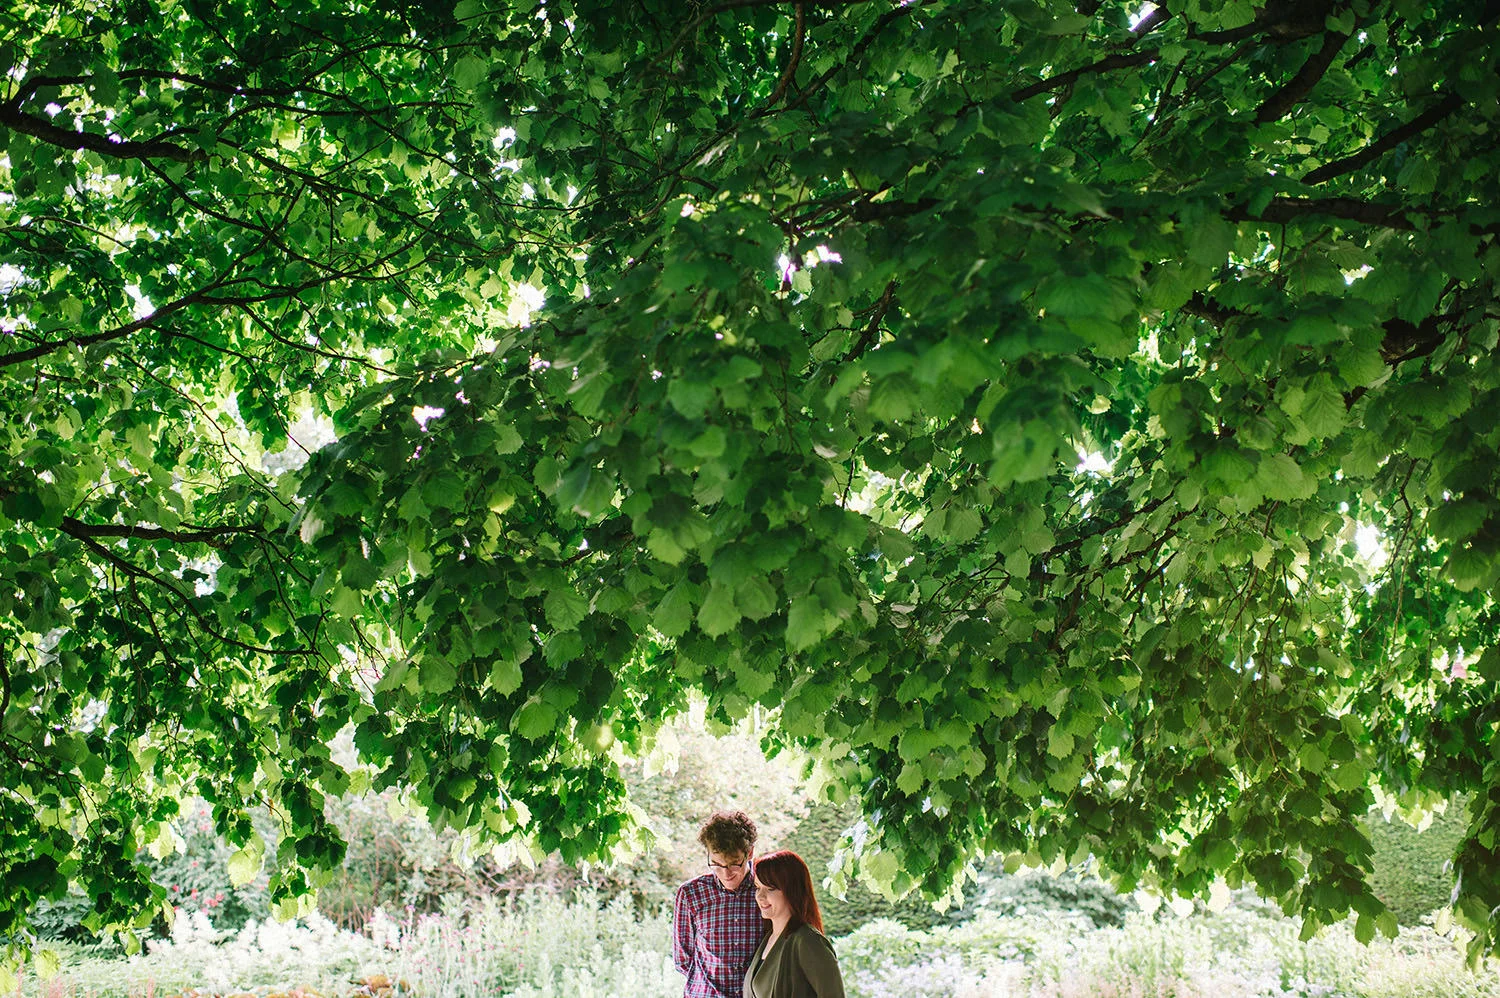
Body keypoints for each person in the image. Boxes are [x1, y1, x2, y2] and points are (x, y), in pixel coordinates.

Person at [673, 810, 762, 998]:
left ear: (750, 853)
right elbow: (683, 959)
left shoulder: (768, 889)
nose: (725, 873)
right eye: (716, 864)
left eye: (734, 863)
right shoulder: (691, 894)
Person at [743, 850, 845, 998]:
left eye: (770, 889)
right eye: (757, 887)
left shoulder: (808, 941)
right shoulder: (768, 938)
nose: (760, 896)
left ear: (792, 890)